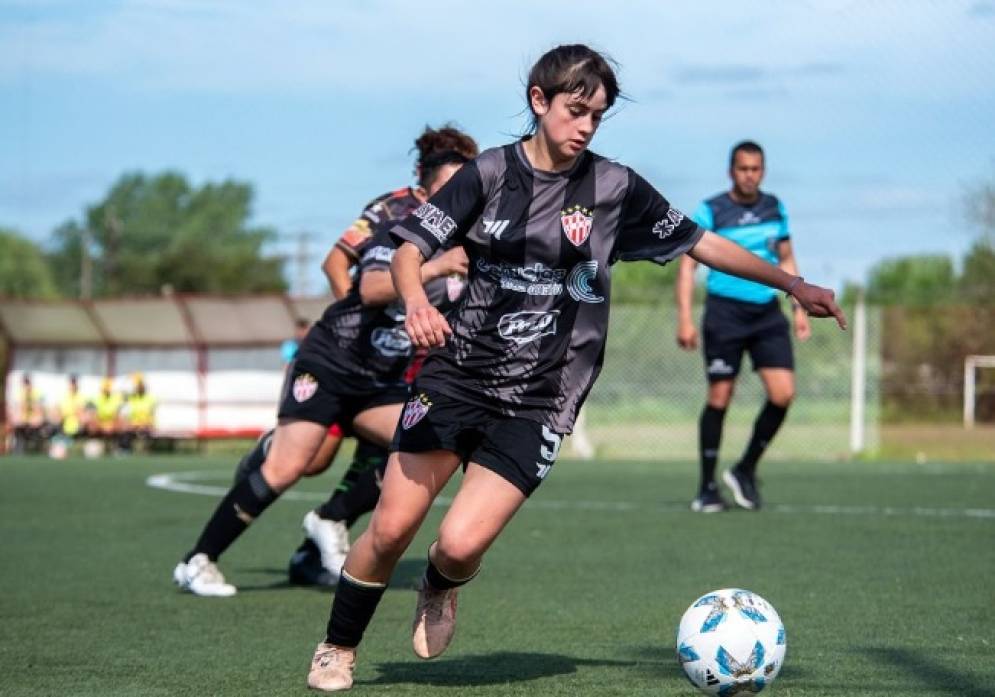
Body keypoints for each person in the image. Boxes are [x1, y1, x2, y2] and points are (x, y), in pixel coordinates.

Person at [305, 44, 846, 692]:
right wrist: (417, 300)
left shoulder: (614, 188)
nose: (586, 125)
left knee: (455, 547)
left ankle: (439, 586)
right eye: (576, 109)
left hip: (540, 394)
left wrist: (791, 282)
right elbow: (406, 251)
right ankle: (338, 644)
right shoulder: (485, 173)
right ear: (539, 101)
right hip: (456, 375)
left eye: (597, 114)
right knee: (391, 527)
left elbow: (701, 242)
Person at [173, 144, 473, 598]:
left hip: (383, 378)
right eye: (449, 187)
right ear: (424, 186)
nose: (459, 196)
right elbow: (367, 284)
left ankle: (326, 525)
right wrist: (433, 270)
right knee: (293, 465)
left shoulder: (469, 234)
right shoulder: (402, 220)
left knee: (425, 438)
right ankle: (197, 562)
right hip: (332, 361)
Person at [676, 141, 809, 513]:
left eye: (755, 169)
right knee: (720, 396)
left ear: (763, 171)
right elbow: (688, 266)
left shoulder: (774, 207)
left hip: (767, 313)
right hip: (725, 313)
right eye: (743, 168)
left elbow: (786, 258)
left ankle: (745, 469)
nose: (749, 175)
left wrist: (798, 307)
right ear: (731, 171)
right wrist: (685, 317)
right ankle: (706, 486)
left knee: (783, 394)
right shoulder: (712, 210)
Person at [8, 374, 47, 453]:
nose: (26, 386)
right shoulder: (20, 394)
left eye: (27, 384)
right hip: (24, 419)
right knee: (17, 426)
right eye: (25, 384)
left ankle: (37, 448)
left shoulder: (36, 393)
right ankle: (18, 448)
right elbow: (17, 409)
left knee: (37, 425)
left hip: (33, 419)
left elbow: (39, 410)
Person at [120, 373, 157, 452]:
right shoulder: (132, 398)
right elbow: (122, 393)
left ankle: (145, 450)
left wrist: (146, 424)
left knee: (145, 430)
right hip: (134, 423)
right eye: (138, 386)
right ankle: (125, 449)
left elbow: (152, 415)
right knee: (125, 429)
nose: (139, 388)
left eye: (141, 386)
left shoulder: (150, 399)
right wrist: (129, 379)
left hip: (145, 423)